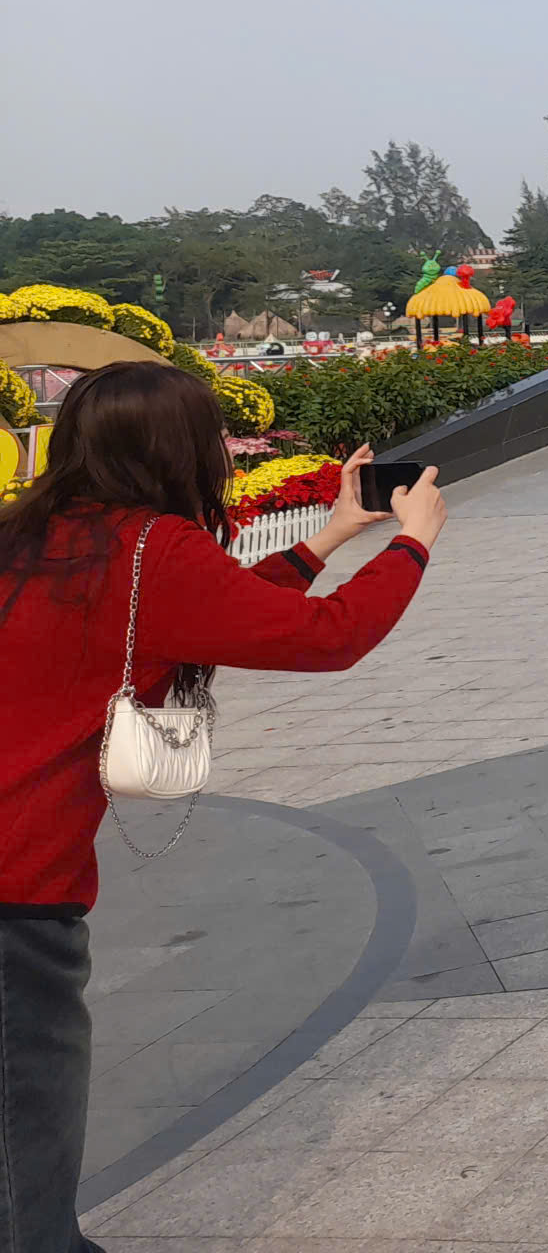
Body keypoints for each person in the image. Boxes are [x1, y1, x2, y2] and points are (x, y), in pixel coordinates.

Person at [0, 361, 445, 1253]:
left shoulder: (26, 538)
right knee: (25, 1116)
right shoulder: (151, 547)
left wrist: (327, 540)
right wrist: (413, 544)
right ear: (185, 451)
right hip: (16, 886)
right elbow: (327, 638)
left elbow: (209, 616)